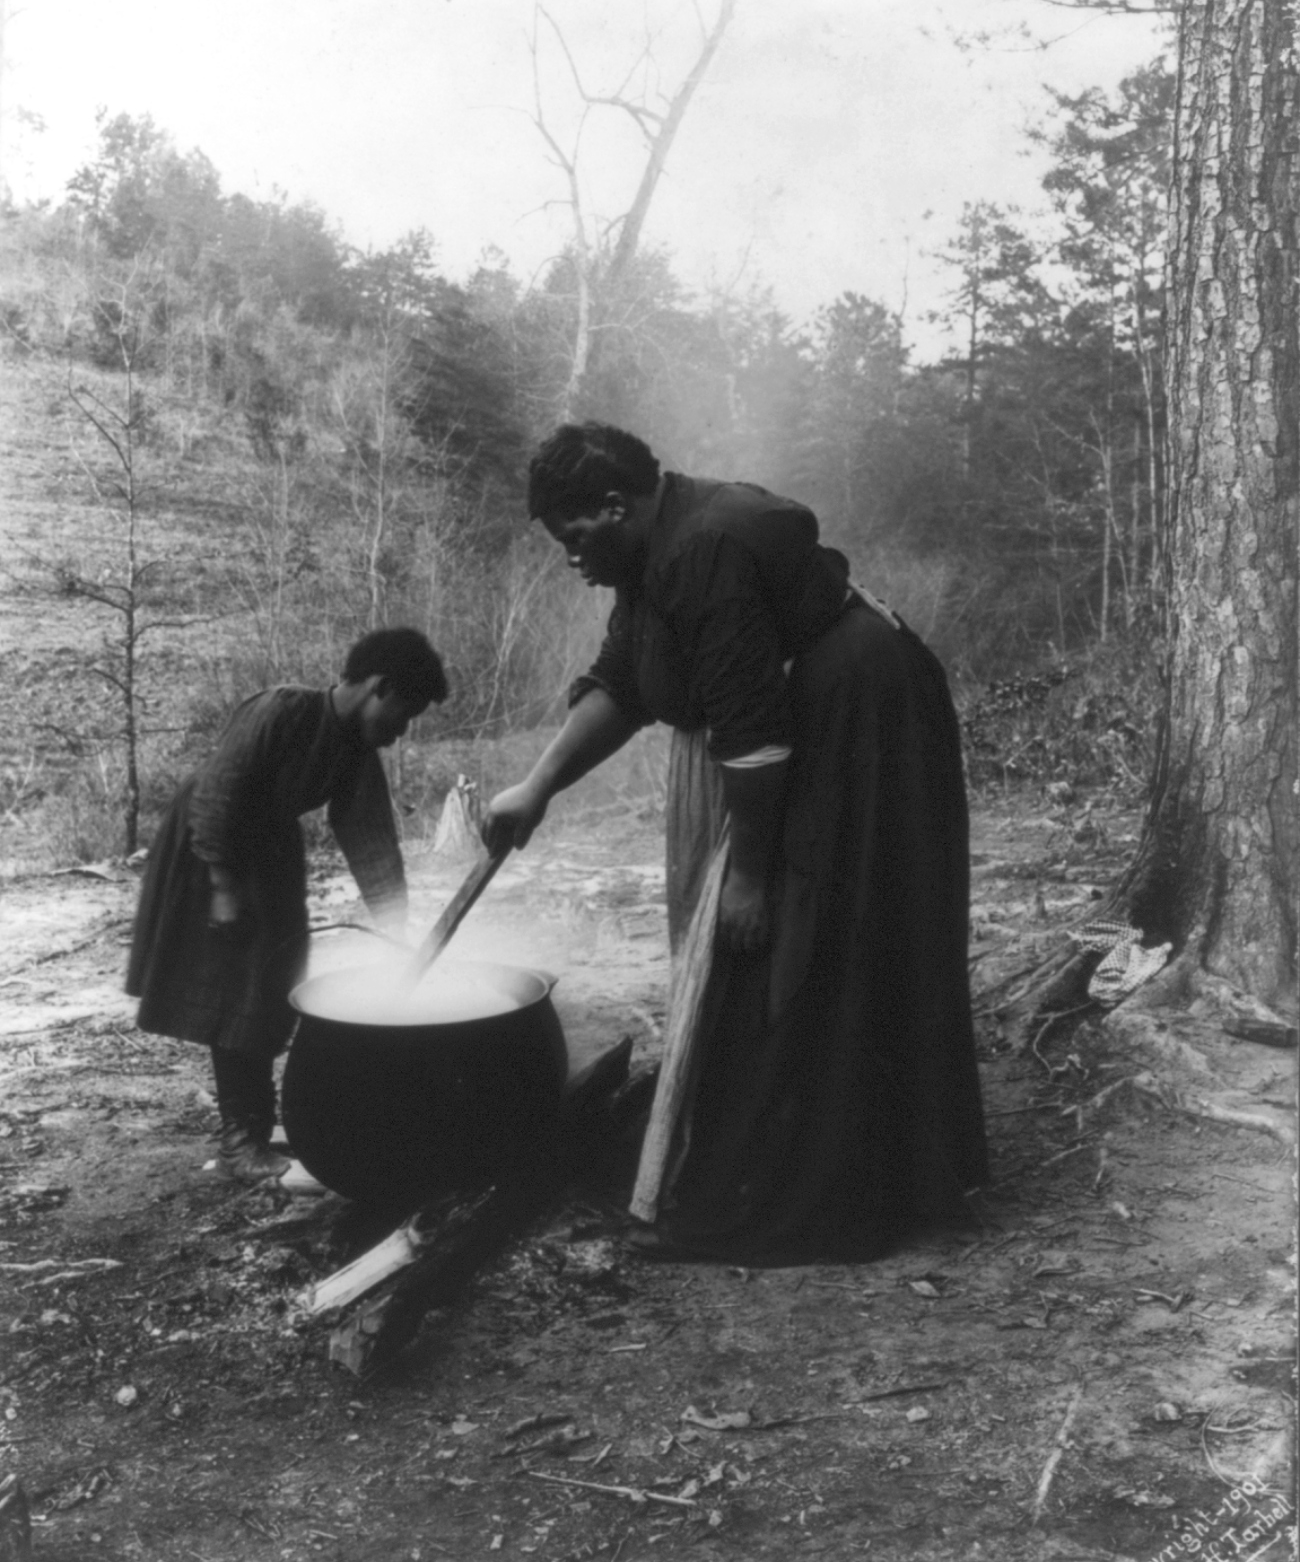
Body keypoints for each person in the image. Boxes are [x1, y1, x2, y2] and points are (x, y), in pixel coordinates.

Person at [483, 423, 988, 1262]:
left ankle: (826, 1188)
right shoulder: (652, 553)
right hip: (816, 714)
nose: (569, 557)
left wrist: (750, 874)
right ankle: (781, 1159)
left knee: (805, 934)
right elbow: (624, 681)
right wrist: (536, 785)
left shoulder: (703, 551)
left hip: (866, 713)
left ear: (615, 508)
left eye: (573, 538)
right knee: (784, 941)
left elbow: (752, 736)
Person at [126, 628, 447, 1181]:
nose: (400, 732)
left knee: (276, 986)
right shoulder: (281, 710)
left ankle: (254, 1124)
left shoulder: (356, 749)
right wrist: (225, 887)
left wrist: (395, 924)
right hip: (210, 847)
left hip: (269, 852)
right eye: (405, 712)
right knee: (236, 992)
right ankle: (239, 1144)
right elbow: (217, 793)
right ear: (381, 687)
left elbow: (371, 841)